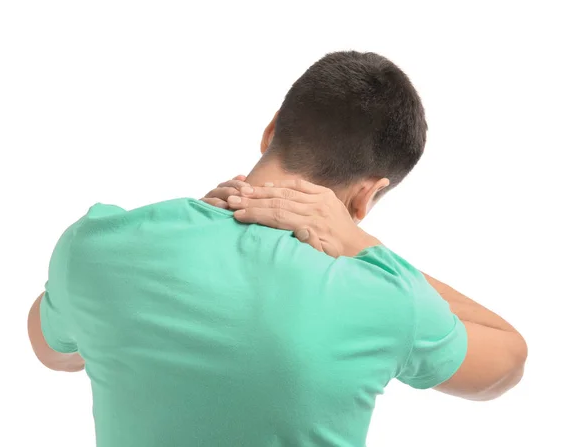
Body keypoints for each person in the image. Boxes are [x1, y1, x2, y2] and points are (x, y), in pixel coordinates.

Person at [28, 51, 527, 447]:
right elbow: (506, 364)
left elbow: (52, 348)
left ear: (271, 130)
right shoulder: (382, 295)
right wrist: (362, 247)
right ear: (368, 193)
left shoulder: (98, 246)